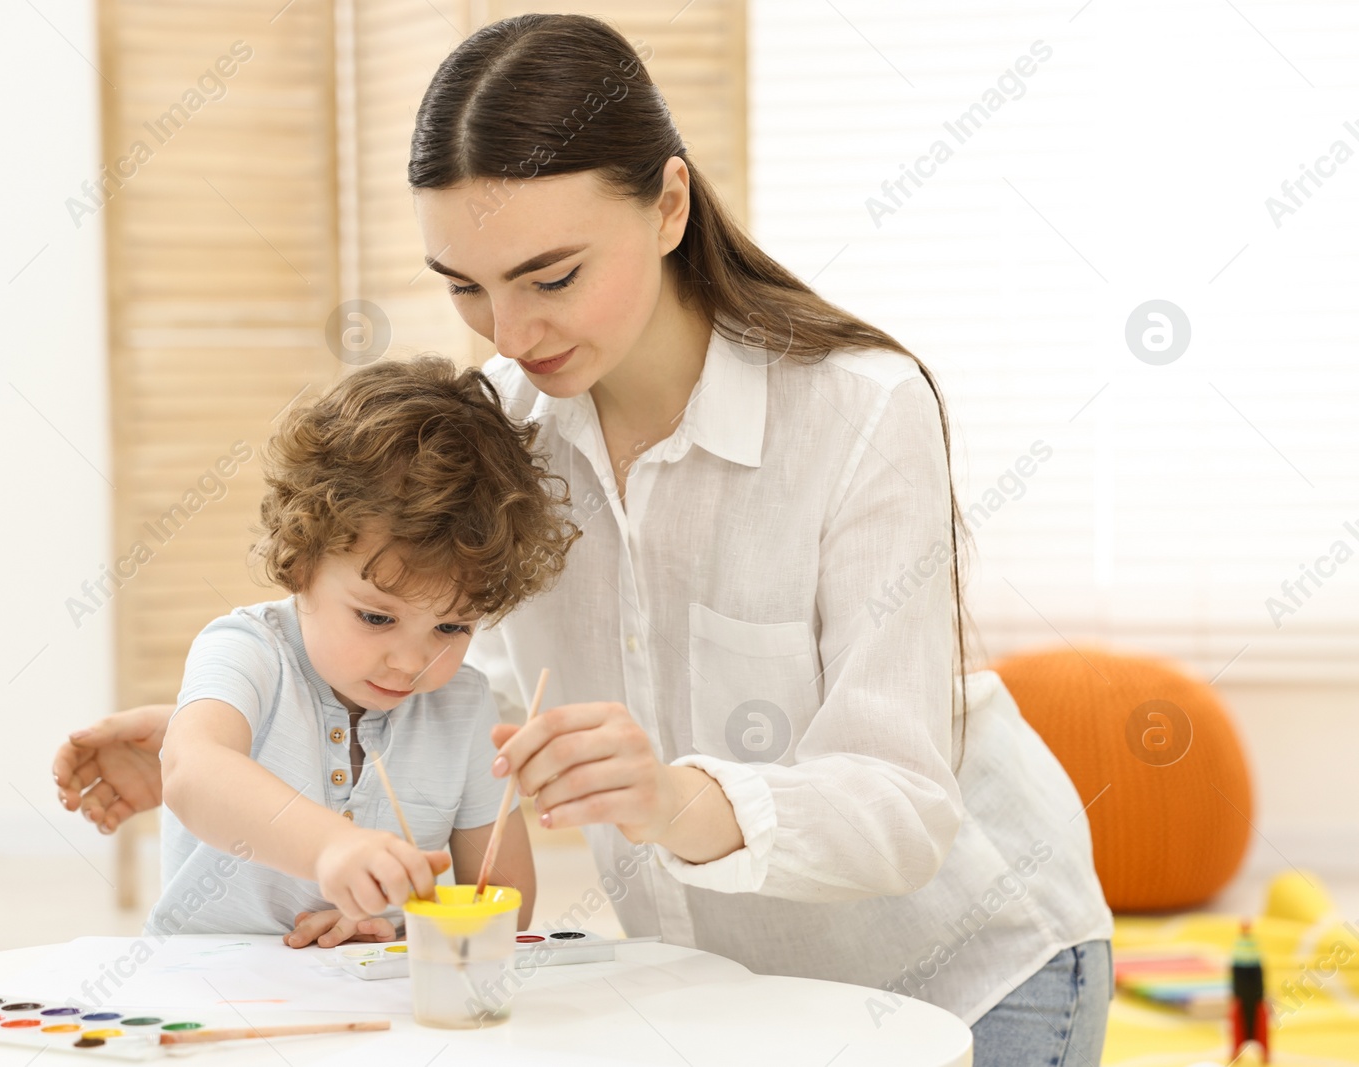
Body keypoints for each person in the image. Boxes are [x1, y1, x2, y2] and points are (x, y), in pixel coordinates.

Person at [55, 14, 1113, 1063]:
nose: (511, 336)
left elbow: (901, 803)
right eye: (465, 287)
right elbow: (482, 696)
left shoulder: (859, 412)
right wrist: (283, 716)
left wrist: (670, 797)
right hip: (710, 985)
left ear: (667, 202)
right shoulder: (504, 425)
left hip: (965, 971)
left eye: (550, 277)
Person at [142, 356, 577, 946]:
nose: (411, 661)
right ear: (300, 563)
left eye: (451, 629)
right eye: (376, 617)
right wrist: (333, 848)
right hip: (215, 985)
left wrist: (398, 924)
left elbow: (505, 905)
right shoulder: (248, 651)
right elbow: (193, 772)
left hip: (375, 996)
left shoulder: (464, 705)